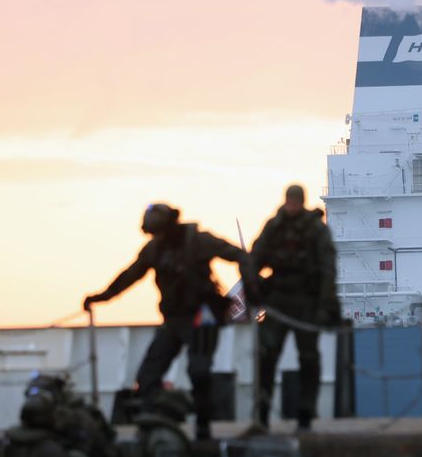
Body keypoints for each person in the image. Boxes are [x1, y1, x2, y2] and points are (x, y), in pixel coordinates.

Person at [83, 203, 259, 440]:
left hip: (202, 317)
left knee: (199, 371)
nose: (156, 237)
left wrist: (252, 288)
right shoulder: (155, 249)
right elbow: (130, 275)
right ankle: (152, 421)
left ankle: (203, 426)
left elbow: (238, 255)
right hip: (174, 319)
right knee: (148, 375)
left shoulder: (199, 240)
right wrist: (102, 297)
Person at [250, 185, 339, 431]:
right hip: (278, 301)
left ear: (301, 202)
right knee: (266, 355)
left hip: (306, 302)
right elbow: (255, 257)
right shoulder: (274, 227)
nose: (291, 206)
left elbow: (328, 268)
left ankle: (305, 414)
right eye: (289, 201)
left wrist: (326, 305)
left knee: (309, 358)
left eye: (295, 201)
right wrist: (254, 287)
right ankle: (262, 414)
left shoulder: (315, 229)